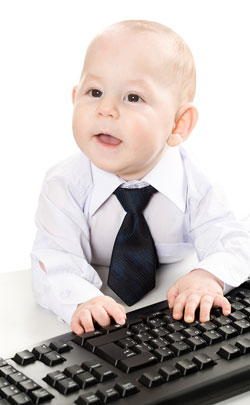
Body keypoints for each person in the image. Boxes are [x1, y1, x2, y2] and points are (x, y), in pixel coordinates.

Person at [31, 20, 250, 335]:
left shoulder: (196, 181)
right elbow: (52, 259)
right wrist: (83, 299)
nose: (106, 109)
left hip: (169, 301)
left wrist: (207, 276)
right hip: (106, 303)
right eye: (95, 92)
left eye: (133, 97)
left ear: (178, 125)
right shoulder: (63, 185)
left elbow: (234, 238)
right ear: (75, 97)